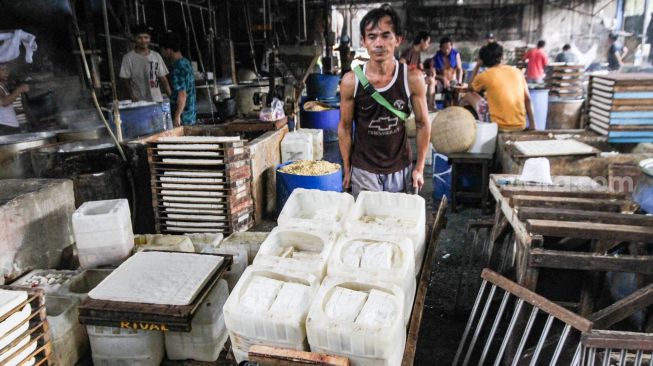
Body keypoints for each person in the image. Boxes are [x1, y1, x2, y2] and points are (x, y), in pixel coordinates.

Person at [338, 4, 431, 197]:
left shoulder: (411, 78)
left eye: (385, 35)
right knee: (367, 224)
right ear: (363, 41)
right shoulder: (351, 81)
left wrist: (419, 168)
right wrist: (347, 169)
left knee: (398, 223)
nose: (378, 43)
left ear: (398, 40)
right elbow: (345, 127)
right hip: (363, 169)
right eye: (371, 37)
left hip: (400, 168)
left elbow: (423, 124)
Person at [467, 42, 535, 132]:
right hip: (520, 125)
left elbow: (469, 87)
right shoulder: (517, 71)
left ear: (484, 60)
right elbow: (528, 99)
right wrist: (532, 126)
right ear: (501, 57)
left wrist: (477, 65)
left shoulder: (485, 75)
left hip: (500, 127)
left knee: (468, 95)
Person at [119, 25, 171, 102]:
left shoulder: (156, 56)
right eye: (139, 38)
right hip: (138, 101)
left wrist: (171, 96)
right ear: (134, 38)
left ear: (150, 39)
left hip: (156, 100)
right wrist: (132, 95)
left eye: (146, 37)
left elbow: (163, 79)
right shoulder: (128, 58)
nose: (143, 41)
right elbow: (126, 81)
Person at [159, 32, 196, 126]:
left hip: (183, 118)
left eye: (162, 50)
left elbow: (182, 94)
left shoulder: (177, 67)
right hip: (190, 115)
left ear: (168, 50)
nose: (162, 53)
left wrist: (177, 115)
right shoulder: (186, 62)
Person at [0, 63, 28, 135]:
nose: (6, 72)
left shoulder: (3, 88)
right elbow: (3, 102)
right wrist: (19, 90)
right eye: (2, 69)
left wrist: (19, 111)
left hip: (9, 126)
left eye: (7, 69)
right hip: (4, 127)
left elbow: (4, 108)